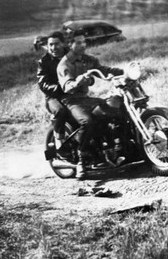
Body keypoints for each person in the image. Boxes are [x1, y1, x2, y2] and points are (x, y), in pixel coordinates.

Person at [57, 31, 123, 180]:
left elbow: (103, 70)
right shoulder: (64, 64)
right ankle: (82, 160)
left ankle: (115, 147)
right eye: (78, 43)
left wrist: (125, 72)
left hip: (86, 99)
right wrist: (77, 82)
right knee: (87, 121)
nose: (83, 45)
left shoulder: (89, 60)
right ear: (69, 44)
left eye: (84, 42)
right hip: (71, 101)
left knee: (112, 109)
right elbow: (66, 86)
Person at [37, 31, 69, 149]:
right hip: (53, 97)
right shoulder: (44, 61)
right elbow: (43, 83)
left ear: (63, 44)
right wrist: (59, 88)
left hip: (72, 93)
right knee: (61, 111)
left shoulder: (71, 56)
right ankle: (58, 139)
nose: (53, 48)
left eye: (56, 44)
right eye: (51, 45)